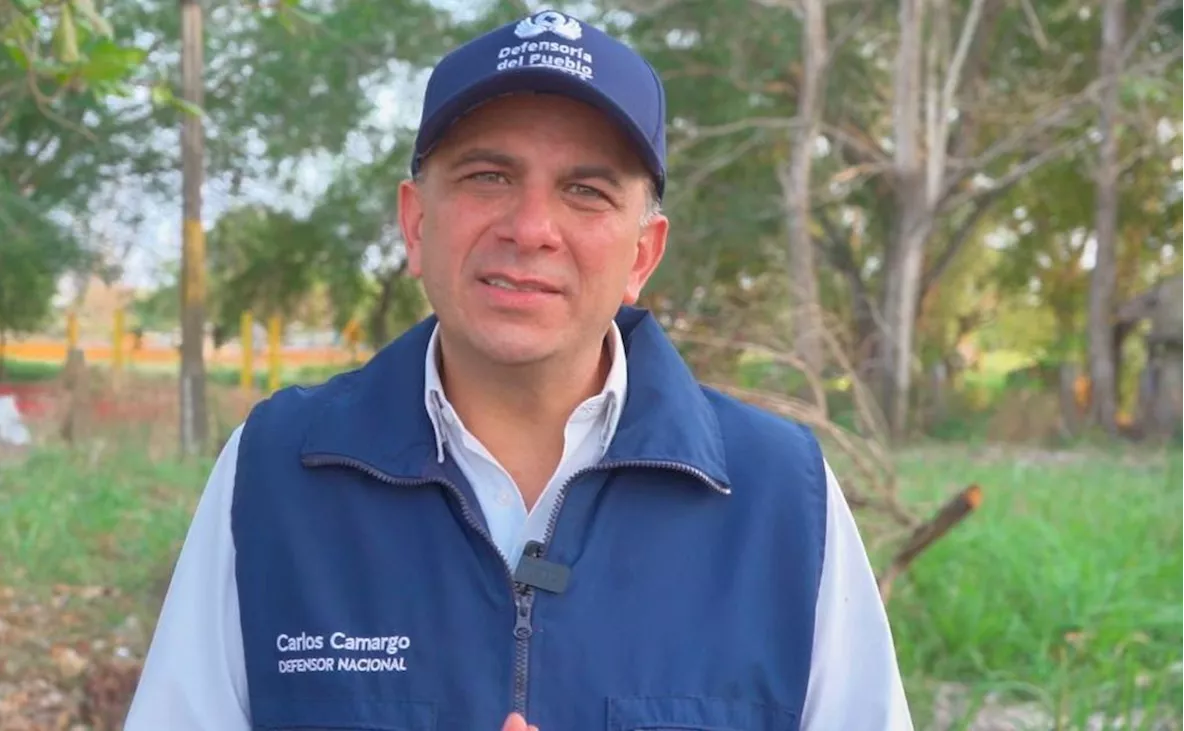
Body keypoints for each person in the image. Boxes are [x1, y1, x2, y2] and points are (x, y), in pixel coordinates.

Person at [124, 9, 914, 731]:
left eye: (586, 191)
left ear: (643, 253)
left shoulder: (778, 497)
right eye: (488, 177)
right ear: (415, 220)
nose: (531, 227)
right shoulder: (275, 474)